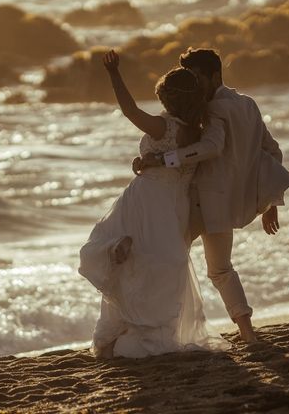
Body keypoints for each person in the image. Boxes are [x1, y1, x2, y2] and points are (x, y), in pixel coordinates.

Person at [133, 48, 289, 343]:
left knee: (165, 258)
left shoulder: (214, 109)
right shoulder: (247, 104)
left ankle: (154, 330)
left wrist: (164, 160)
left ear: (215, 76)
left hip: (198, 201)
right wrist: (271, 201)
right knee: (220, 269)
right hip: (224, 204)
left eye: (197, 78)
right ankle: (247, 333)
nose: (195, 87)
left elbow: (212, 147)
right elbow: (272, 152)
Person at [78, 50, 229, 359]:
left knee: (132, 262)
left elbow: (130, 110)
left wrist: (114, 73)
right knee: (162, 266)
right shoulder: (196, 132)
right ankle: (141, 328)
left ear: (169, 100)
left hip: (148, 199)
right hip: (176, 207)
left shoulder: (164, 128)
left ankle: (120, 325)